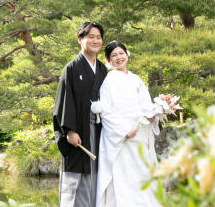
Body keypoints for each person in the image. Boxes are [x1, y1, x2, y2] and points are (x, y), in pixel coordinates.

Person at [93, 41, 160, 207]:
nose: (119, 58)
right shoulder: (108, 81)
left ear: (127, 54)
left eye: (121, 53)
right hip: (121, 139)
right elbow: (106, 111)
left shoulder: (136, 79)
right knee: (123, 178)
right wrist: (124, 130)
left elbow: (146, 105)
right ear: (108, 60)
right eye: (114, 55)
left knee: (142, 175)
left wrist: (152, 116)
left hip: (140, 135)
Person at [53, 21, 108, 207]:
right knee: (74, 180)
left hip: (98, 131)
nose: (95, 40)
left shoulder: (102, 69)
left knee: (94, 177)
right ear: (80, 40)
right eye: (90, 37)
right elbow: (64, 101)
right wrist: (69, 130)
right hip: (78, 133)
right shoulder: (72, 68)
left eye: (98, 37)